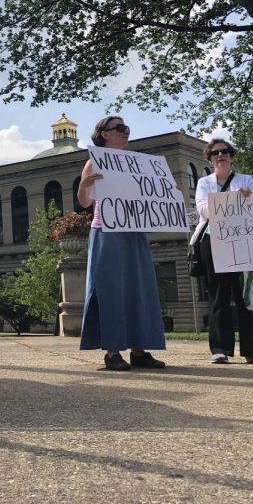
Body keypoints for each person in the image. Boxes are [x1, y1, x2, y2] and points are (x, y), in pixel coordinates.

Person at [77, 116, 166, 370]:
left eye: (127, 127)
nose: (126, 132)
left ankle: (140, 350)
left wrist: (168, 193)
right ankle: (112, 352)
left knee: (139, 289)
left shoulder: (138, 163)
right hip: (107, 230)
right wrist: (84, 185)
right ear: (104, 134)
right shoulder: (94, 162)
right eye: (120, 128)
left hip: (134, 232)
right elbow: (84, 203)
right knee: (110, 290)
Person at [192, 139, 253, 365]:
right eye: (215, 153)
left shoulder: (246, 180)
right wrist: (236, 198)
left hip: (243, 242)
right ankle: (220, 349)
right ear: (209, 159)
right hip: (213, 242)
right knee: (218, 296)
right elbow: (204, 210)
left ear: (231, 156)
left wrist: (246, 197)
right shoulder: (204, 183)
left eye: (225, 152)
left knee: (245, 295)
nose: (220, 155)